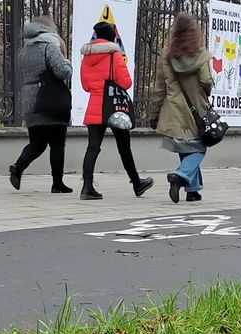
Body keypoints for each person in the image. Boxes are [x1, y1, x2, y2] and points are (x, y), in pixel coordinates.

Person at [78, 21, 154, 200]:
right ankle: (137, 183)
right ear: (112, 37)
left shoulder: (87, 57)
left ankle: (87, 187)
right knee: (124, 148)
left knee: (92, 148)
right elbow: (126, 83)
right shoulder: (115, 56)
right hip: (114, 107)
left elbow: (86, 86)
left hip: (95, 107)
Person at [148, 13, 213, 203]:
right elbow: (206, 80)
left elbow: (159, 87)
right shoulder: (200, 53)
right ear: (194, 31)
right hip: (196, 109)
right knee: (200, 148)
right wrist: (205, 91)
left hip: (174, 110)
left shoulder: (166, 55)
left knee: (186, 148)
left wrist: (154, 113)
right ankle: (179, 175)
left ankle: (192, 190)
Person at [10, 16, 74, 193]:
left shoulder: (23, 51)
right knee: (57, 144)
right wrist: (68, 62)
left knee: (36, 144)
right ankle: (57, 184)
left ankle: (18, 168)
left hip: (30, 103)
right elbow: (64, 71)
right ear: (48, 29)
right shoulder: (49, 47)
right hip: (50, 102)